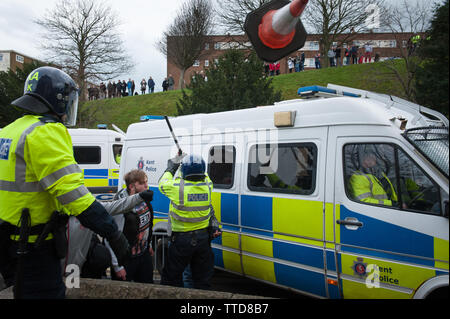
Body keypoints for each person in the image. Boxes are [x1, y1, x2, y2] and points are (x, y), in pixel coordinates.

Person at [0, 66, 129, 299]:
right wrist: (112, 232)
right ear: (57, 101)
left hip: (8, 241)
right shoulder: (45, 132)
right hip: (35, 246)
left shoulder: (9, 131)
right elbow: (75, 197)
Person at [159, 154, 219, 289]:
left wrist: (173, 165)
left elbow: (162, 182)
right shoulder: (208, 185)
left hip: (181, 241)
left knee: (171, 278)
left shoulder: (176, 188)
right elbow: (203, 174)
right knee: (202, 280)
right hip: (203, 240)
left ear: (184, 171)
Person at [64, 190, 154, 279]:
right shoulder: (58, 213)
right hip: (54, 266)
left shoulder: (87, 208)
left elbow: (116, 206)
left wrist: (138, 197)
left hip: (73, 267)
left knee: (70, 289)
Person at [106, 170, 155, 284]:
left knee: (147, 288)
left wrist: (149, 244)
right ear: (132, 186)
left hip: (143, 255)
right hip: (126, 260)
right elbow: (110, 237)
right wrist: (117, 266)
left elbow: (146, 225)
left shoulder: (144, 199)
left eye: (146, 182)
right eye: (142, 183)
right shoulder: (120, 206)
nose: (146, 186)